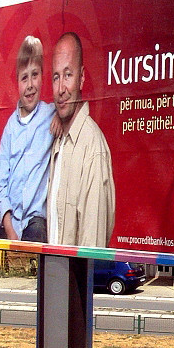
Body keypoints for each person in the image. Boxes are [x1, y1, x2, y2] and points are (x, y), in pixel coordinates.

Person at [47, 31, 115, 247]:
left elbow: (91, 246)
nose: (61, 89)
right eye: (56, 77)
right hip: (54, 274)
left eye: (68, 75)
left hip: (74, 279)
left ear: (82, 77)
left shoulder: (91, 146)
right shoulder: (58, 140)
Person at [0, 36, 54, 243]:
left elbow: (74, 108)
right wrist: (10, 231)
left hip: (35, 219)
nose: (30, 85)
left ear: (43, 77)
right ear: (17, 82)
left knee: (35, 244)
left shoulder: (51, 114)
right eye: (24, 78)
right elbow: (0, 187)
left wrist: (63, 120)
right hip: (9, 220)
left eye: (35, 75)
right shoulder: (10, 128)